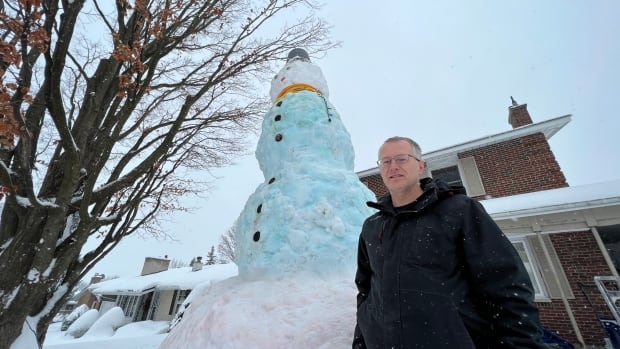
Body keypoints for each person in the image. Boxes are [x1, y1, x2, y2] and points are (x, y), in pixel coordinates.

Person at [352, 136, 548, 349]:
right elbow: (366, 290)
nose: (393, 167)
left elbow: (505, 284)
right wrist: (361, 341)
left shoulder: (458, 211)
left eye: (401, 159)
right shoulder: (373, 225)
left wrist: (520, 344)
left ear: (420, 165)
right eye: (386, 161)